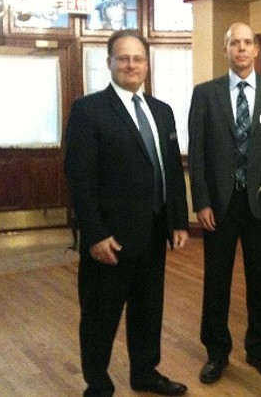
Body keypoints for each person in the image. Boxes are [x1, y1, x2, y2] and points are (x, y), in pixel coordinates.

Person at [64, 29, 189, 397]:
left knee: (148, 311)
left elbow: (171, 170)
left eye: (137, 58)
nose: (131, 65)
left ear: (147, 65)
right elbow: (79, 178)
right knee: (101, 316)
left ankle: (145, 373)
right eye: (123, 58)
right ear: (109, 63)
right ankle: (98, 384)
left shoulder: (162, 112)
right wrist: (95, 234)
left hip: (153, 232)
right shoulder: (88, 111)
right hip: (110, 239)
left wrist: (178, 220)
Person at [187, 22, 261, 385]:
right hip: (219, 206)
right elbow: (199, 154)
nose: (241, 49)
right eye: (234, 43)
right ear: (226, 50)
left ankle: (260, 349)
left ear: (256, 50)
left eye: (247, 43)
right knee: (216, 282)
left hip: (260, 204)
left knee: (260, 279)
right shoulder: (205, 94)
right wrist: (201, 201)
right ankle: (216, 352)